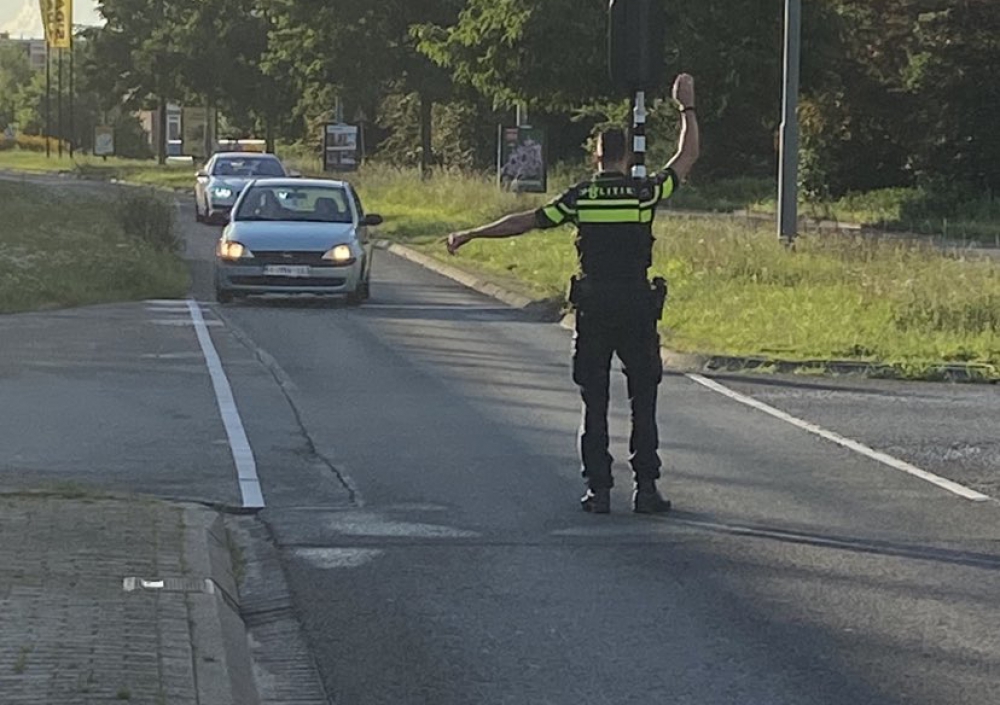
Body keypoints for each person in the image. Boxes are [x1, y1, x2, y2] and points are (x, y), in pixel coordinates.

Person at [447, 73, 700, 514]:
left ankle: (599, 490)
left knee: (594, 399)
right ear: (626, 158)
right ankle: (645, 489)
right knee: (644, 398)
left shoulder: (580, 198)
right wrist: (687, 108)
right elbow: (688, 156)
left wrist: (472, 233)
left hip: (594, 306)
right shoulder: (644, 195)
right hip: (637, 305)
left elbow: (525, 220)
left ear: (597, 156)